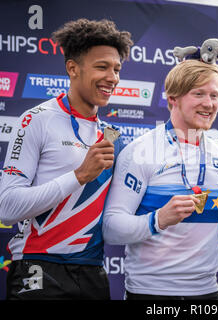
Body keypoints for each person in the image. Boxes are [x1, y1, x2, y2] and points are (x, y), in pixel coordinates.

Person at [0, 18, 133, 300]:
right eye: (102, 67)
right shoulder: (36, 120)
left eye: (117, 69)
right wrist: (79, 175)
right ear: (73, 68)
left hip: (92, 270)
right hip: (38, 267)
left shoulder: (113, 137)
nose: (113, 77)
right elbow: (7, 207)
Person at [103, 59, 218, 300]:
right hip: (150, 294)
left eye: (214, 95)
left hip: (207, 293)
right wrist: (158, 219)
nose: (209, 104)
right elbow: (111, 228)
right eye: (198, 94)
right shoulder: (141, 150)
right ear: (172, 99)